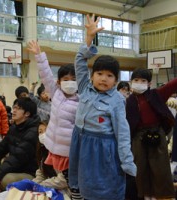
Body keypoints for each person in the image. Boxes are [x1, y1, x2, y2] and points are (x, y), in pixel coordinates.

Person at [69, 14, 136, 200]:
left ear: (116, 81)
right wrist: (88, 39)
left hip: (102, 148)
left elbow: (122, 133)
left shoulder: (116, 100)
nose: (103, 78)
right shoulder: (84, 88)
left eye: (109, 75)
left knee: (105, 187)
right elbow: (80, 62)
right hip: (81, 142)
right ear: (92, 75)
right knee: (81, 184)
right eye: (99, 73)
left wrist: (127, 161)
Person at [27, 40, 80, 199]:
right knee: (64, 184)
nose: (69, 82)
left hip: (70, 152)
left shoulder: (82, 100)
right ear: (58, 82)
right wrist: (39, 55)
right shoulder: (55, 92)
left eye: (73, 79)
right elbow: (46, 74)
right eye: (65, 79)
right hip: (54, 148)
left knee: (73, 185)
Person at [126, 67, 177, 199]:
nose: (139, 82)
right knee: (139, 168)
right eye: (136, 80)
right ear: (131, 82)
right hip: (138, 137)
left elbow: (172, 84)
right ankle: (143, 195)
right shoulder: (128, 100)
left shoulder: (156, 94)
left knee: (160, 168)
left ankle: (160, 195)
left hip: (157, 134)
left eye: (143, 80)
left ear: (149, 84)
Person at [0, 97, 40, 195]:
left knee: (6, 179)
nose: (13, 111)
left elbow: (17, 158)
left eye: (18, 108)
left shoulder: (33, 132)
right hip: (14, 170)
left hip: (29, 173)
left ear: (27, 114)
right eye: (14, 107)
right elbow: (0, 149)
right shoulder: (14, 128)